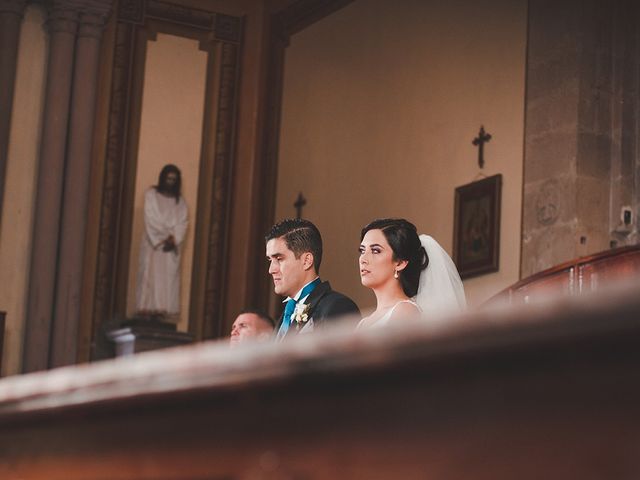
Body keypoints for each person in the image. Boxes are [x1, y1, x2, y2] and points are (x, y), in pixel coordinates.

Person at [358, 218, 466, 329]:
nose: (363, 259)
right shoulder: (362, 324)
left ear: (400, 263)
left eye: (376, 251)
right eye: (362, 251)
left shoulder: (405, 312)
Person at [266, 218, 360, 340]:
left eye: (279, 259)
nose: (271, 269)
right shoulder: (286, 315)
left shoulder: (337, 307)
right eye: (270, 260)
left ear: (306, 261)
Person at [135, 164, 189, 319]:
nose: (170, 181)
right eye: (168, 178)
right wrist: (163, 238)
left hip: (169, 250)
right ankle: (147, 311)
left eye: (173, 179)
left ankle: (162, 312)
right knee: (150, 279)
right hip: (154, 246)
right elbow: (151, 219)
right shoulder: (151, 195)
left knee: (167, 283)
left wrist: (173, 239)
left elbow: (182, 223)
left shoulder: (181, 203)